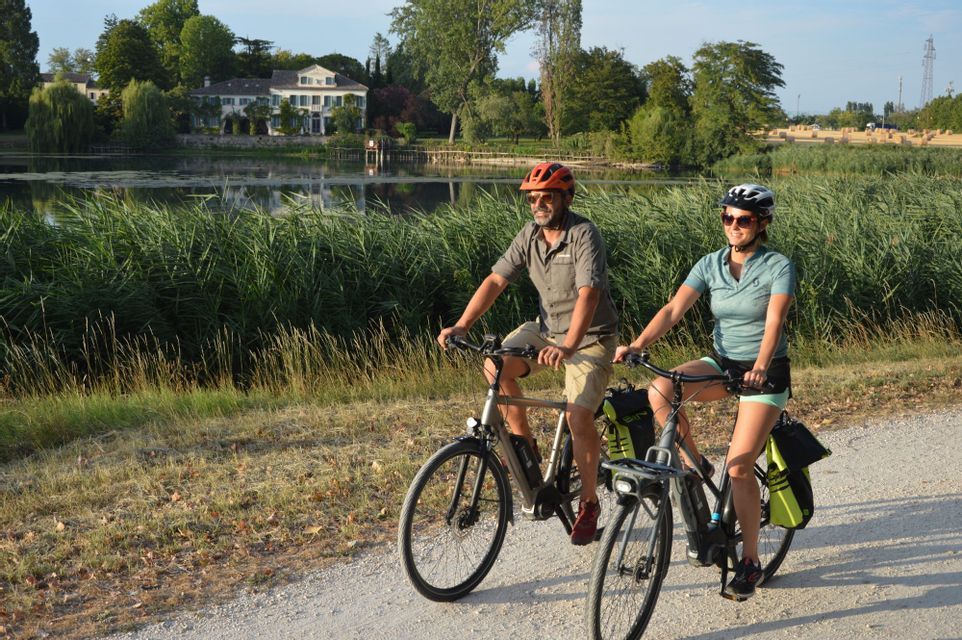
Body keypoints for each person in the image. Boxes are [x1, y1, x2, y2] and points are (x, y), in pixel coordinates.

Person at [614, 183, 795, 600]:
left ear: (762, 223)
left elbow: (774, 322)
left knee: (739, 465)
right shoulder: (711, 263)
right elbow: (673, 310)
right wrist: (639, 345)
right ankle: (695, 465)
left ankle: (749, 562)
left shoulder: (777, 266)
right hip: (722, 362)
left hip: (765, 375)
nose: (733, 225)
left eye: (743, 219)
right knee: (660, 391)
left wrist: (761, 368)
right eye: (727, 217)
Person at [437, 162, 619, 545]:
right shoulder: (529, 235)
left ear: (566, 198)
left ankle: (589, 503)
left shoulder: (585, 234)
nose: (538, 204)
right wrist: (463, 325)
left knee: (578, 415)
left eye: (546, 197)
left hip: (590, 338)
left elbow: (590, 294)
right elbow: (496, 280)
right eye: (533, 198)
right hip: (547, 331)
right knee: (494, 365)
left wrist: (569, 345)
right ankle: (527, 452)